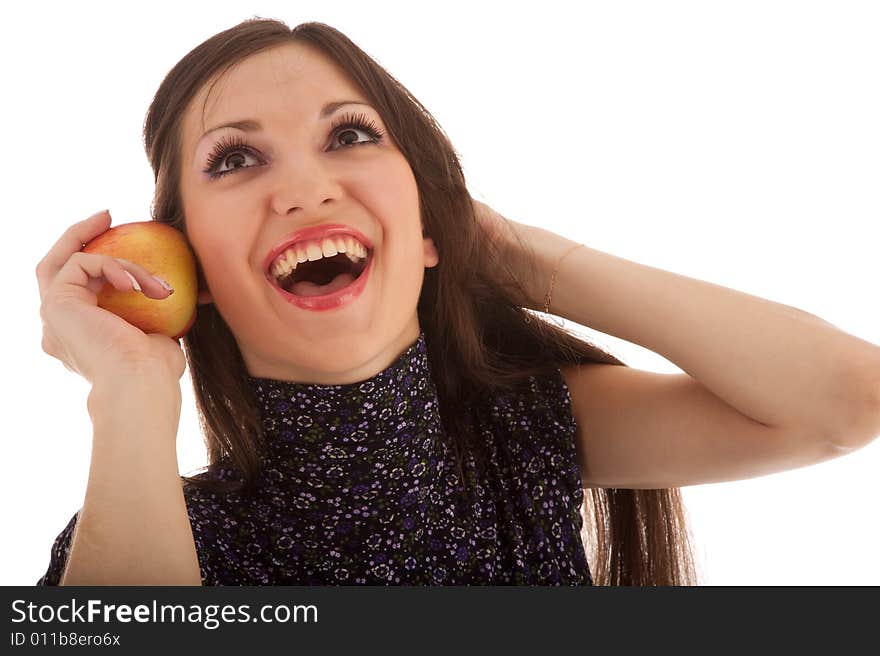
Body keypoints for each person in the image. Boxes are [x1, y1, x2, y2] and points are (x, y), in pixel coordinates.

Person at [35, 18, 879, 586]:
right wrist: (130, 391)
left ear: (428, 223)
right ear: (195, 269)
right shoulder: (142, 533)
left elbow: (846, 401)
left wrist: (514, 256)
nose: (306, 187)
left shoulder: (526, 439)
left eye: (351, 135)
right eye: (234, 159)